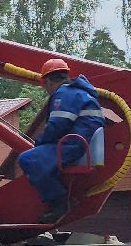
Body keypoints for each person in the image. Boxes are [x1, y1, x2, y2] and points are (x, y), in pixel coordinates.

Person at [15, 58, 105, 222]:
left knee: (28, 159)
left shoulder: (64, 93)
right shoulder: (79, 92)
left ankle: (59, 202)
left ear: (48, 81)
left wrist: (40, 142)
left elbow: (58, 125)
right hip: (80, 142)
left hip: (74, 144)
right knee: (38, 157)